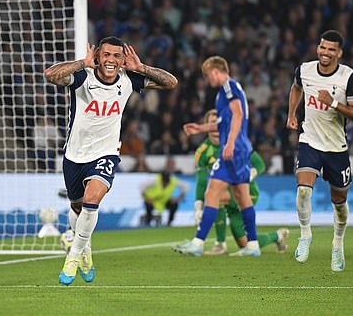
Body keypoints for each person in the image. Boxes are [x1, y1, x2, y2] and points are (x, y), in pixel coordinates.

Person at [44, 36, 177, 286]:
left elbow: (171, 83)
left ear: (122, 59)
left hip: (106, 153)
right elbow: (50, 74)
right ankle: (85, 252)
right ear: (98, 57)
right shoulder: (84, 78)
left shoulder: (129, 80)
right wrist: (81, 63)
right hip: (74, 155)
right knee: (77, 208)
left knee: (92, 200)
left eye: (117, 56)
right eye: (106, 55)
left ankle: (72, 257)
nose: (111, 60)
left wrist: (142, 68)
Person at [286, 30, 353, 272]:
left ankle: (338, 244)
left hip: (336, 147)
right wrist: (291, 114)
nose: (325, 53)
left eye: (331, 49)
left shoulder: (349, 77)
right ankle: (305, 235)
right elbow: (296, 88)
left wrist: (332, 103)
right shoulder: (304, 70)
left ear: (339, 53)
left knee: (339, 203)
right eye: (322, 47)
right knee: (302, 191)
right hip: (310, 140)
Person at [173, 56, 260, 257]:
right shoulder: (222, 94)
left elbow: (238, 114)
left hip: (234, 148)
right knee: (242, 196)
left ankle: (197, 243)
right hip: (240, 148)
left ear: (216, 71)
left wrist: (229, 143)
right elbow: (224, 123)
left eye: (207, 75)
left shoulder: (228, 87)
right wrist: (201, 128)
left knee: (212, 192)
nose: (206, 80)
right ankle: (253, 245)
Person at [193, 110, 289, 255]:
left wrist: (247, 177)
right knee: (244, 243)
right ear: (207, 126)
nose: (215, 127)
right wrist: (198, 207)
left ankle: (220, 244)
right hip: (228, 195)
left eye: (217, 123)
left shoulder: (236, 141)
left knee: (215, 195)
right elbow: (201, 181)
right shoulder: (203, 151)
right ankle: (278, 236)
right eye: (212, 123)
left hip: (247, 192)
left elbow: (259, 164)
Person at [140, 157, 188, 227]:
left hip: (165, 201)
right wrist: (147, 198)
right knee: (147, 204)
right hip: (153, 200)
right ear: (162, 179)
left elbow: (186, 187)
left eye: (167, 182)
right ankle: (148, 221)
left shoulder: (173, 181)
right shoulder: (155, 180)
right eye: (164, 182)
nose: (166, 184)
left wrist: (178, 198)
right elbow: (142, 187)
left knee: (174, 204)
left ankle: (169, 223)